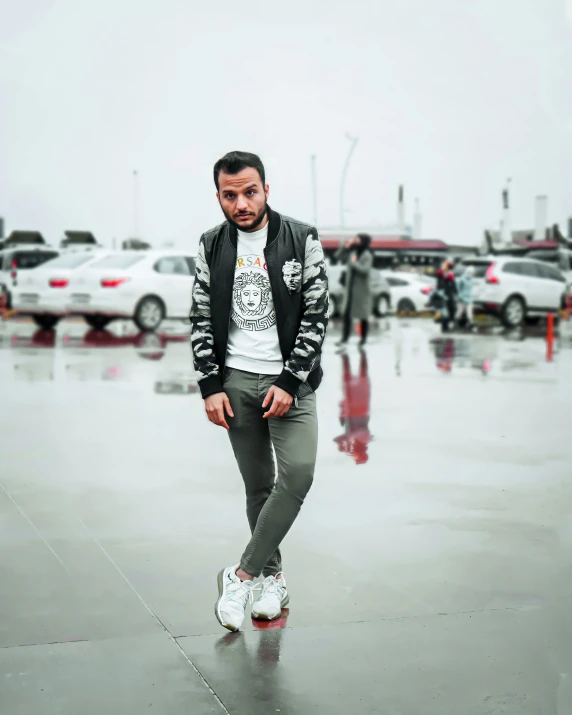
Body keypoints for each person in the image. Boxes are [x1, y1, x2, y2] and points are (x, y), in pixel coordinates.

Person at [189, 151, 329, 632]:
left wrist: (291, 381)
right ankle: (272, 579)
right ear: (219, 197)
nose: (241, 203)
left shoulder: (301, 237)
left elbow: (316, 312)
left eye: (250, 191)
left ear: (267, 189)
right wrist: (210, 385)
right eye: (231, 195)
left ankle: (241, 574)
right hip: (237, 383)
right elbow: (201, 317)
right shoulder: (211, 244)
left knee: (299, 476)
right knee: (258, 487)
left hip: (291, 382)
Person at [333, 351, 372, 464]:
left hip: (351, 412)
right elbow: (356, 434)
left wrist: (344, 446)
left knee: (347, 381)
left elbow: (337, 439)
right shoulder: (364, 439)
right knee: (361, 380)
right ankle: (362, 355)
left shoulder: (356, 440)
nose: (353, 454)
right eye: (355, 455)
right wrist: (347, 444)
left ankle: (345, 356)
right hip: (359, 411)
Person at [336, 233, 373, 348]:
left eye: (357, 239)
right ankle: (344, 339)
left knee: (363, 316)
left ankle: (363, 339)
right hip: (350, 290)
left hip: (361, 291)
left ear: (362, 241)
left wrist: (353, 263)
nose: (354, 240)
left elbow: (365, 270)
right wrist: (344, 247)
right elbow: (338, 256)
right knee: (346, 315)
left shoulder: (367, 255)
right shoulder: (353, 252)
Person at [436, 259, 457, 331]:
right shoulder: (445, 272)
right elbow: (449, 282)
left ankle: (445, 325)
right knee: (448, 309)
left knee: (446, 309)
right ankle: (445, 324)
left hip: (444, 293)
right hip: (446, 293)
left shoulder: (443, 272)